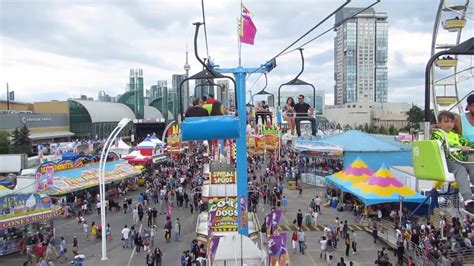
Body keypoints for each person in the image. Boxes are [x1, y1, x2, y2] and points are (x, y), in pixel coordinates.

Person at [432, 111, 474, 214]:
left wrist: (468, 146)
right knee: (461, 171)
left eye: (451, 122)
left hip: (460, 159)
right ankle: (468, 200)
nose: (449, 124)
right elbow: (441, 147)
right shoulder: (438, 135)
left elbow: (467, 143)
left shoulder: (455, 135)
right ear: (440, 123)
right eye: (446, 122)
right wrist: (459, 148)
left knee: (472, 167)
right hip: (448, 160)